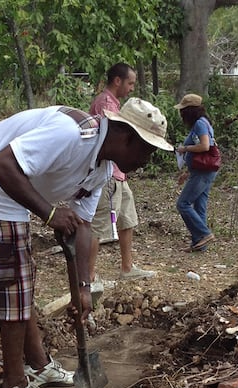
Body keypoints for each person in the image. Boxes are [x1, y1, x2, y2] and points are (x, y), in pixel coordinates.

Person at [0, 99, 172, 388]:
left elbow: (84, 229)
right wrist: (49, 214)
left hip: (8, 192)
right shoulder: (71, 135)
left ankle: (39, 365)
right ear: (127, 137)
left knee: (22, 280)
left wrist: (85, 287)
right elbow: (1, 165)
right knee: (13, 285)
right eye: (148, 151)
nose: (147, 161)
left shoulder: (100, 168)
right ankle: (13, 387)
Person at [88, 63, 155, 282]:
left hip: (119, 173)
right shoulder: (106, 104)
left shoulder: (115, 104)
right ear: (118, 80)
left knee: (127, 217)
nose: (132, 88)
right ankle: (89, 276)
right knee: (98, 225)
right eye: (130, 83)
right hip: (107, 173)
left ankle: (127, 267)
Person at [174, 93, 218, 252]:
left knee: (183, 204)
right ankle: (199, 244)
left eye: (183, 110)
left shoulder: (200, 124)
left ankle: (204, 234)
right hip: (201, 170)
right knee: (199, 207)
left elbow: (205, 146)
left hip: (203, 172)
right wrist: (187, 171)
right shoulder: (202, 123)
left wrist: (184, 149)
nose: (181, 114)